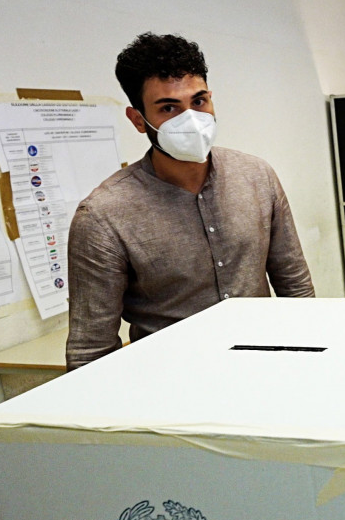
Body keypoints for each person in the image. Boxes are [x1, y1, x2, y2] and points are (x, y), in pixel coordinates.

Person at [66, 33, 314, 370]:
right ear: (138, 120)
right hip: (172, 387)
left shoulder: (256, 176)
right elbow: (90, 351)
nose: (191, 119)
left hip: (267, 367)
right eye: (169, 108)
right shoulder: (103, 216)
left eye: (198, 102)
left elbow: (296, 287)